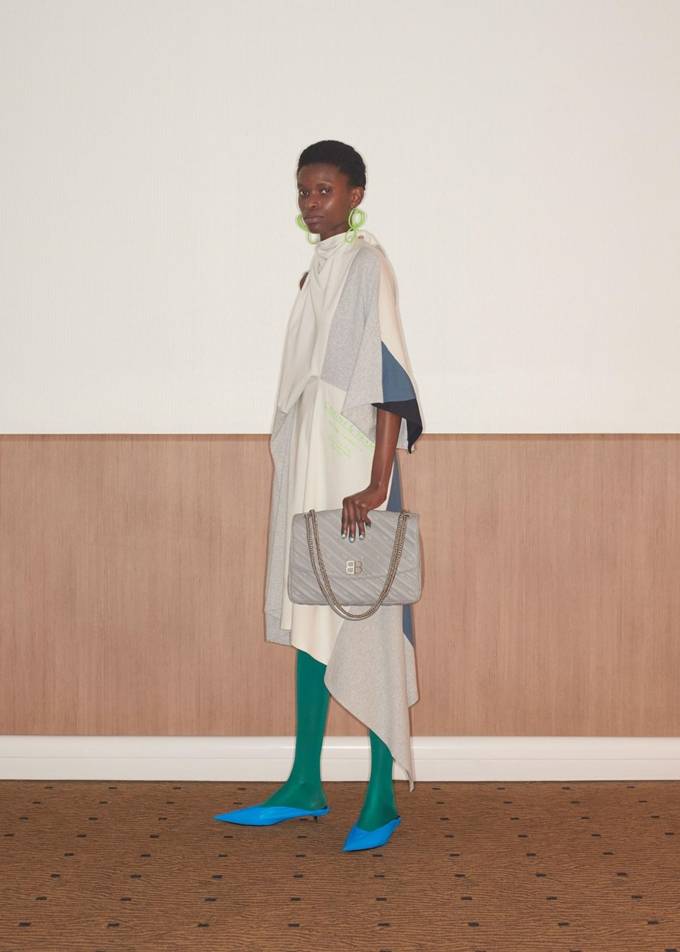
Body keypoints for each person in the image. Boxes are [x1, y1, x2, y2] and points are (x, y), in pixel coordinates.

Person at [214, 140, 424, 851]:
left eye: (325, 190)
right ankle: (305, 783)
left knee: (366, 622)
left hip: (354, 474)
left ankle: (379, 795)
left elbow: (389, 381)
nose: (311, 203)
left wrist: (377, 480)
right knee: (311, 612)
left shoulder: (368, 266)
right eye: (304, 191)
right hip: (312, 468)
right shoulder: (319, 271)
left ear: (355, 195)